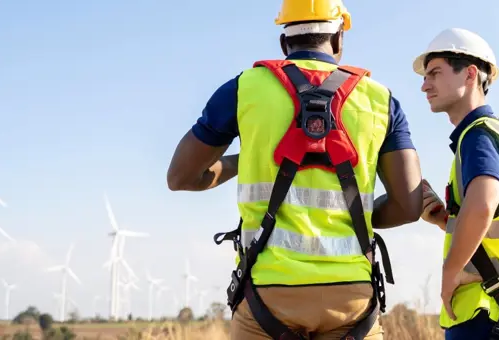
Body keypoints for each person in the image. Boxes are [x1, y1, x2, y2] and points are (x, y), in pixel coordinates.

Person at [166, 1, 425, 338]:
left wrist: (242, 159)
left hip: (267, 297)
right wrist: (353, 215)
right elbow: (409, 206)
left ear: (284, 43)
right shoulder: (380, 100)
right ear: (338, 39)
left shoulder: (243, 90)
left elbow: (181, 177)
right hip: (352, 299)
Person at [413, 28, 499, 340]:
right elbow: (495, 224)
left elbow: (483, 205)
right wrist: (446, 220)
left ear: (470, 75)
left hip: (487, 313)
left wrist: (450, 273)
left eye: (434, 73)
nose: (424, 85)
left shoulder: (478, 136)